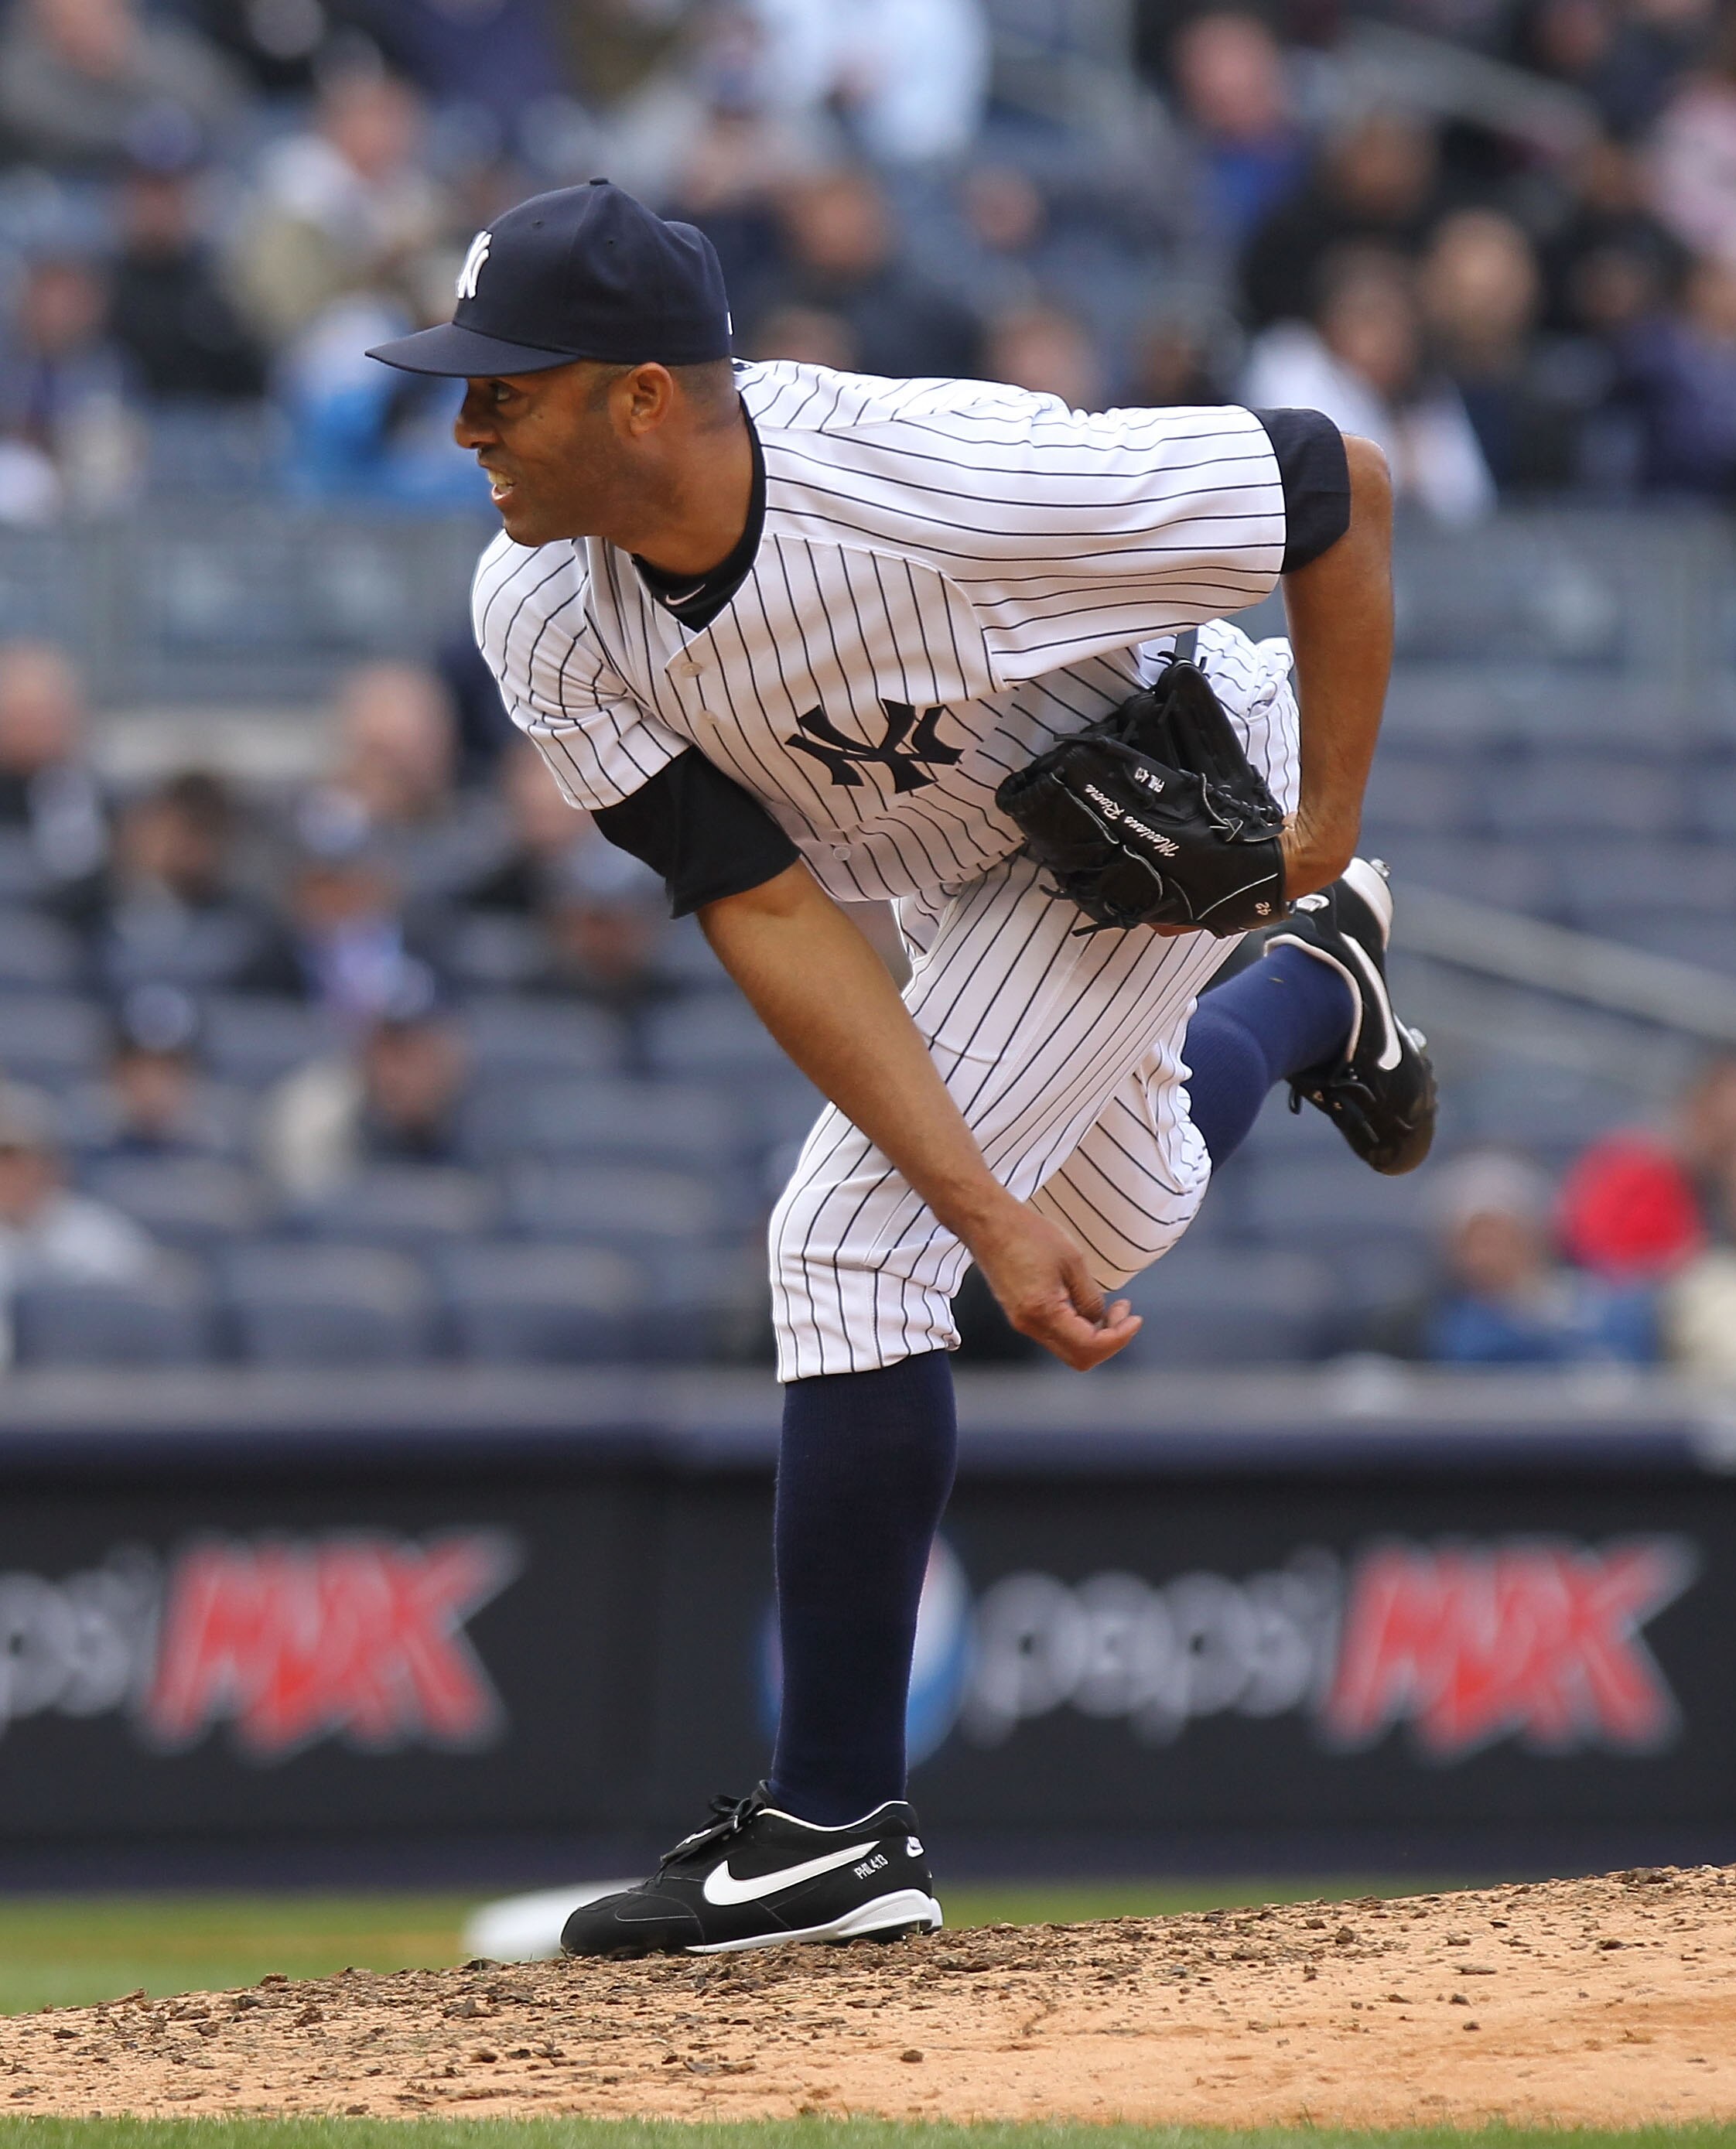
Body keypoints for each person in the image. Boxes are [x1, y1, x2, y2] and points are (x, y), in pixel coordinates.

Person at [370, 179, 1431, 1955]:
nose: (465, 421)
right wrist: (993, 1220)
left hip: (1157, 779)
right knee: (1125, 1210)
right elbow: (765, 910)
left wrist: (1322, 818)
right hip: (939, 859)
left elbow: (1338, 484)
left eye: (507, 386)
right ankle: (1323, 996)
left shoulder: (937, 479)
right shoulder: (541, 615)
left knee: (849, 1248)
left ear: (640, 394)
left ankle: (835, 1828)